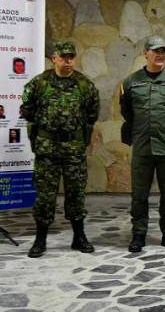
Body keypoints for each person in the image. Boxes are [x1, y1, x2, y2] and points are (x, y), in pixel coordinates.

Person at [20, 41, 99, 258]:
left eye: (71, 57)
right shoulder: (38, 84)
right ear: (54, 58)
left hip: (73, 148)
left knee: (76, 194)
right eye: (63, 57)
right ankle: (40, 239)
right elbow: (26, 110)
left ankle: (79, 237)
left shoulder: (85, 85)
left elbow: (92, 113)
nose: (68, 61)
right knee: (45, 196)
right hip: (47, 149)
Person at [120, 36, 165, 253]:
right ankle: (139, 233)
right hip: (142, 146)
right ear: (146, 53)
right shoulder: (131, 82)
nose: (160, 55)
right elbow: (126, 112)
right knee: (139, 194)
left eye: (163, 51)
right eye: (155, 51)